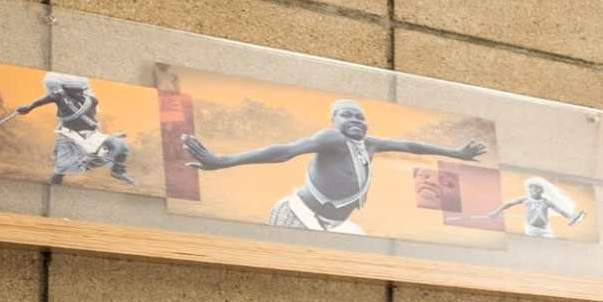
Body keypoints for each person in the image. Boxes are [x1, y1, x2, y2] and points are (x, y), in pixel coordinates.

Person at [179, 98, 484, 231]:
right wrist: (224, 161)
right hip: (300, 216)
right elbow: (284, 151)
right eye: (346, 115)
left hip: (337, 226)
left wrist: (456, 154)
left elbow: (411, 146)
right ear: (334, 120)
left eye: (360, 116)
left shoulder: (371, 144)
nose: (355, 120)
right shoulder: (330, 139)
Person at [0, 75, 137, 186]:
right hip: (68, 136)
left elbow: (91, 114)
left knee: (120, 146)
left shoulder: (92, 100)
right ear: (67, 91)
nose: (80, 94)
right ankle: (56, 183)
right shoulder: (59, 97)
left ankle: (117, 171)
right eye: (76, 92)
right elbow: (45, 99)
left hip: (91, 135)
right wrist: (29, 107)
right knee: (62, 169)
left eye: (81, 91)